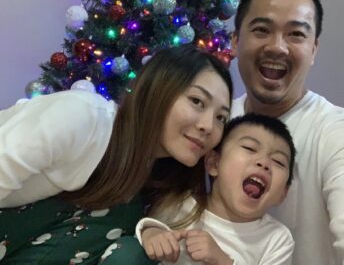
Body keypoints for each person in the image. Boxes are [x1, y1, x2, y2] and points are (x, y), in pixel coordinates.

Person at [0, 44, 232, 264]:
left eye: (221, 117)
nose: (209, 126)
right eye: (197, 101)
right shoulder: (84, 116)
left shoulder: (151, 187)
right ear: (158, 89)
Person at [230, 0, 344, 265]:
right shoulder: (214, 124)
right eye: (261, 30)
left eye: (296, 34)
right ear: (234, 41)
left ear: (313, 49)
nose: (277, 47)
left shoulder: (334, 132)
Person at [136, 113, 295, 265]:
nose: (264, 163)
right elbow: (134, 238)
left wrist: (223, 261)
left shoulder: (277, 239)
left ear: (282, 194)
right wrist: (151, 232)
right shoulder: (176, 204)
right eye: (249, 148)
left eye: (278, 161)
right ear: (213, 163)